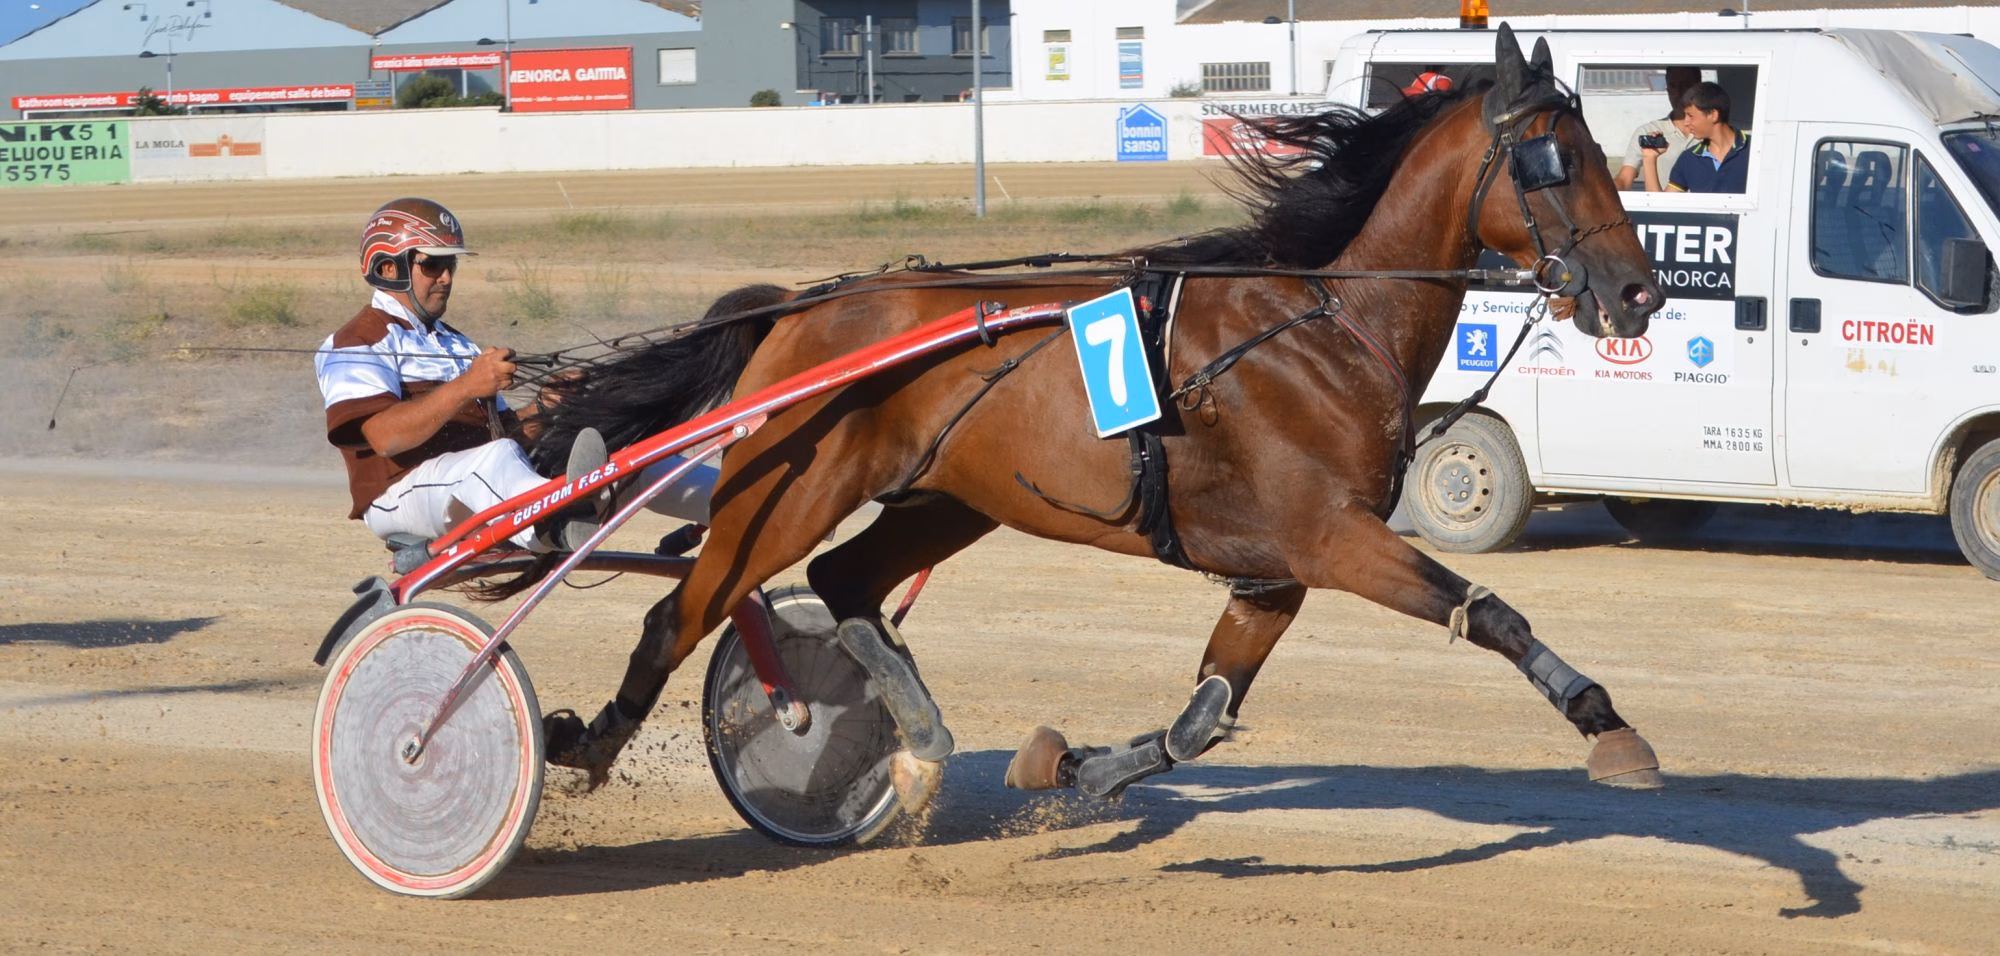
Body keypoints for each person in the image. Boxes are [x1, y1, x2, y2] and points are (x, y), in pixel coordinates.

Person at [314, 197, 612, 553]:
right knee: (495, 458)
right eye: (433, 265)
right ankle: (552, 524)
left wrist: (546, 408)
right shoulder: (355, 340)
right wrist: (467, 385)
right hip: (397, 494)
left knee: (617, 445)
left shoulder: (457, 343)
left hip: (467, 479)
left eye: (451, 264)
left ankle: (698, 503)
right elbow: (384, 438)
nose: (446, 278)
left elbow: (509, 438)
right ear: (388, 268)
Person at [1616, 67, 1700, 192]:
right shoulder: (1647, 131)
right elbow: (1624, 179)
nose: (1679, 92)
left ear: (1698, 88)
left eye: (1685, 85)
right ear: (1667, 90)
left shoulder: (1715, 132)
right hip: (1663, 209)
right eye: (1673, 85)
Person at [1664, 81, 1750, 194]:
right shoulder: (1688, 158)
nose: (1686, 122)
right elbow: (1664, 205)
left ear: (1713, 115)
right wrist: (1649, 158)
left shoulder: (1755, 150)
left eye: (1690, 115)